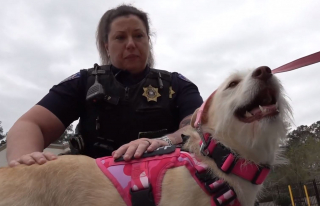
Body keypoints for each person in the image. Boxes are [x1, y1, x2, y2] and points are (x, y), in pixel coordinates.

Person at [6, 4, 203, 167]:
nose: (131, 44)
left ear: (148, 40)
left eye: (138, 36)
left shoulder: (177, 85)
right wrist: (26, 160)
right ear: (107, 45)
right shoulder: (84, 82)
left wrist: (163, 141)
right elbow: (30, 124)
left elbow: (199, 127)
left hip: (165, 184)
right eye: (120, 37)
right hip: (92, 188)